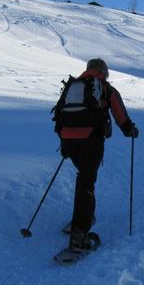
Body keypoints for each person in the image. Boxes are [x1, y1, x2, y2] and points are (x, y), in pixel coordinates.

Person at [58, 58, 138, 251]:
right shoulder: (104, 88)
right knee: (87, 180)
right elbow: (120, 115)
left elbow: (59, 113)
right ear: (103, 72)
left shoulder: (74, 84)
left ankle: (82, 216)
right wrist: (130, 131)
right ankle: (79, 235)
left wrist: (65, 140)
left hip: (68, 141)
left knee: (83, 177)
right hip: (90, 140)